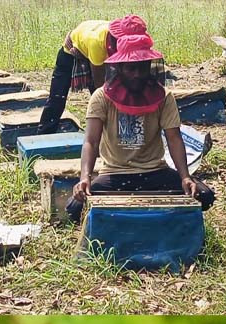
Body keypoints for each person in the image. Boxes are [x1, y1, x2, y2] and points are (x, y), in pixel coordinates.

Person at [63, 32, 215, 223]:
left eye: (142, 68)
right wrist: (84, 177)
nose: (137, 74)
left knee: (204, 195)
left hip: (155, 172)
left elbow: (174, 138)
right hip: (116, 174)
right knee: (73, 208)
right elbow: (91, 142)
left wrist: (185, 177)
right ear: (119, 68)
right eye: (131, 68)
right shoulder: (101, 97)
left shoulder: (164, 97)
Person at [38, 16, 149, 134]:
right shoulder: (98, 42)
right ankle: (44, 135)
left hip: (90, 41)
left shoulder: (136, 41)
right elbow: (99, 83)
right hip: (72, 53)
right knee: (58, 97)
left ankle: (111, 131)